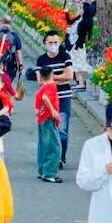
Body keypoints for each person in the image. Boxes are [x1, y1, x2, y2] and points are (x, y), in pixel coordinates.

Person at [36, 30, 74, 167]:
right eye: (50, 42)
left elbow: (69, 76)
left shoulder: (65, 56)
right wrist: (59, 77)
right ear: (45, 43)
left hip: (63, 98)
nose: (53, 45)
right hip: (47, 99)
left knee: (62, 129)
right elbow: (40, 81)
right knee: (48, 130)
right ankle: (50, 156)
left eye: (56, 42)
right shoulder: (41, 60)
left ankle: (60, 157)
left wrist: (50, 78)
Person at [34, 67, 62, 183]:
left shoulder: (42, 88)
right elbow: (45, 98)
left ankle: (43, 170)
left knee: (43, 146)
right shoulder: (51, 86)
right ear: (52, 74)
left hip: (42, 119)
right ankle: (49, 173)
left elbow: (37, 105)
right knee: (54, 147)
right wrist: (52, 110)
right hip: (48, 119)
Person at [0, 16, 23, 84]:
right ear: (10, 24)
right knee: (6, 83)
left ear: (1, 23)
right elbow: (18, 52)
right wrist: (20, 65)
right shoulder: (14, 36)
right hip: (9, 65)